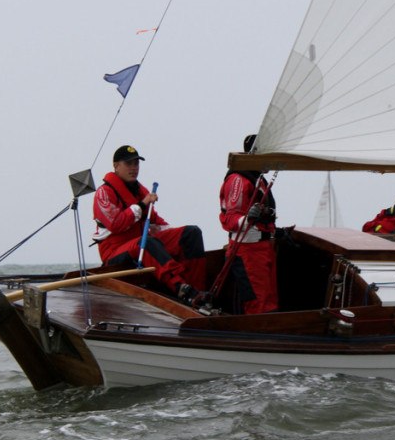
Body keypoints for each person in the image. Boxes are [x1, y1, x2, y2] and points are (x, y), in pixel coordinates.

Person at [92, 145, 212, 311]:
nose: (134, 168)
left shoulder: (140, 191)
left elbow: (155, 222)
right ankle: (180, 288)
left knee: (191, 233)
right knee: (147, 242)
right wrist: (142, 205)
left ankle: (198, 293)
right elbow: (116, 223)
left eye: (136, 164)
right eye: (129, 164)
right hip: (115, 251)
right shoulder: (104, 193)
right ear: (116, 166)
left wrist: (173, 232)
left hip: (139, 242)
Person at [218, 134, 279, 315]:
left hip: (263, 248)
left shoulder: (258, 178)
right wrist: (247, 219)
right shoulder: (238, 179)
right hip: (247, 252)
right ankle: (259, 339)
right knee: (259, 306)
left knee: (270, 303)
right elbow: (230, 219)